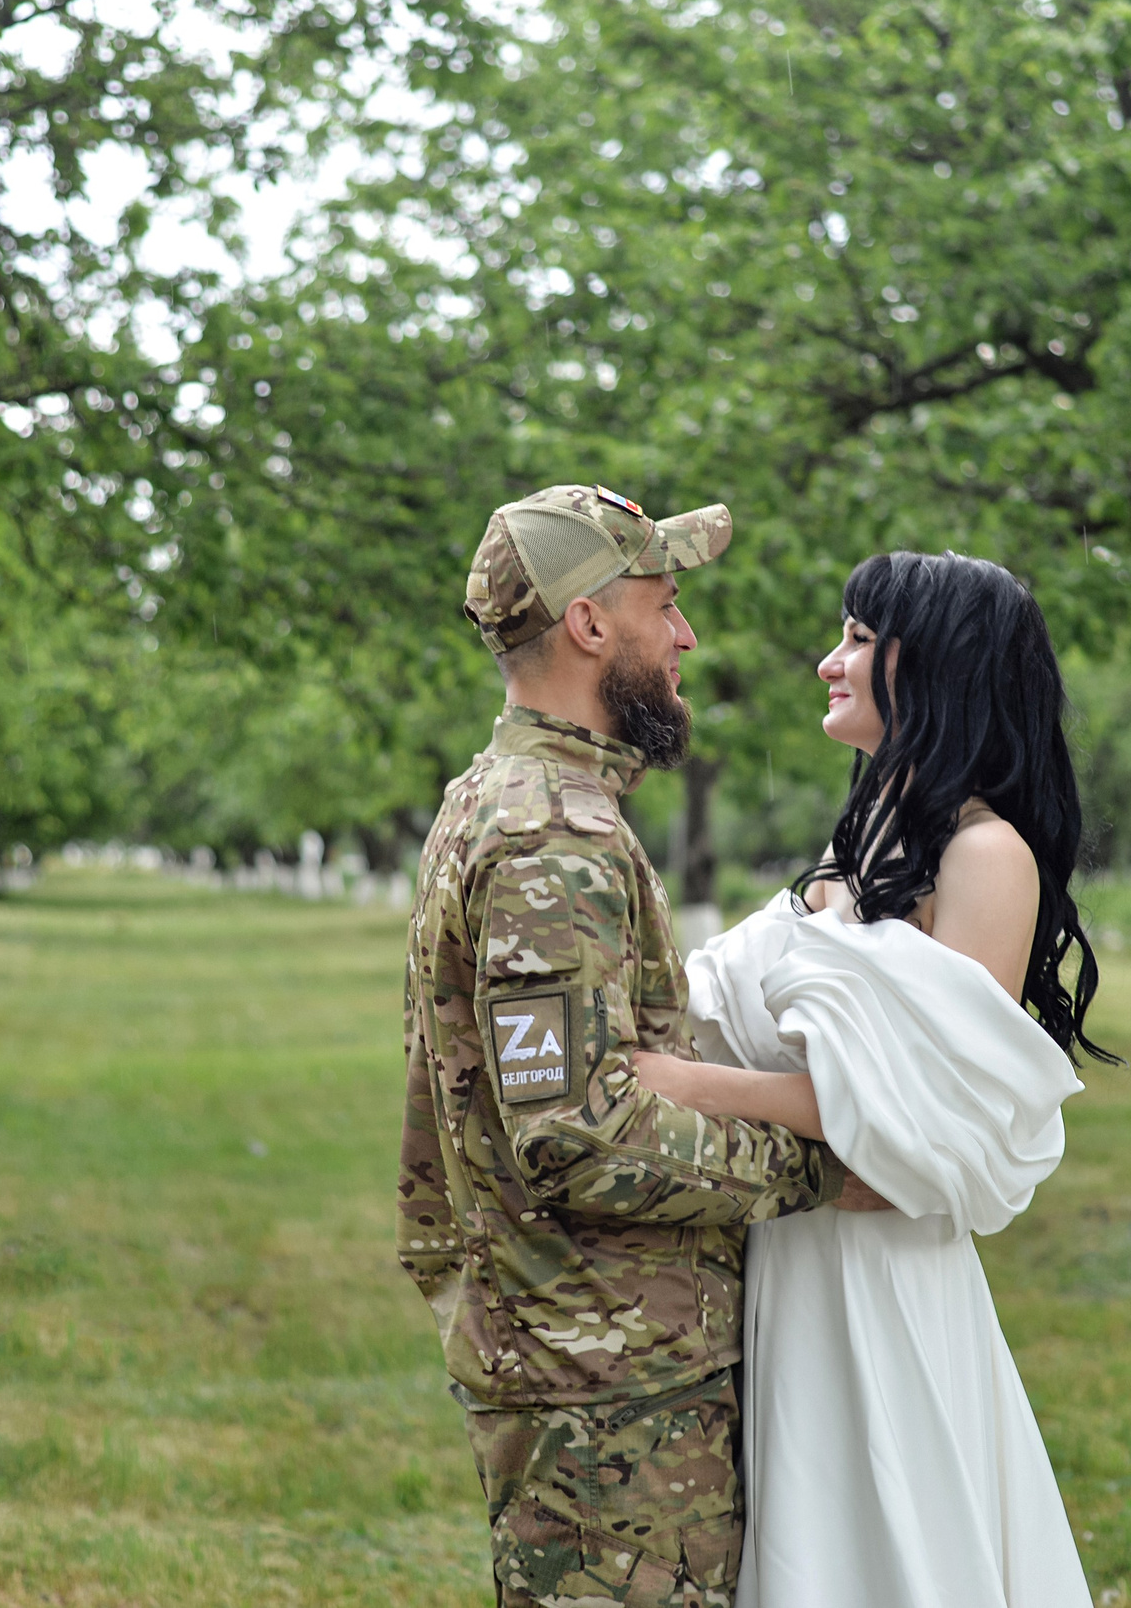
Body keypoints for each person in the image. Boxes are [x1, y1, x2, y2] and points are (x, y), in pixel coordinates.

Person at [398, 484, 881, 1608]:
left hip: (581, 1356)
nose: (685, 636)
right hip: (603, 1381)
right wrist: (818, 1167)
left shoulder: (511, 797)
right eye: (664, 603)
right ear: (589, 624)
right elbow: (575, 1131)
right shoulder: (547, 832)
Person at [633, 550, 1118, 1608]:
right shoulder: (866, 836)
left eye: (856, 638)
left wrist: (672, 1082)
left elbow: (910, 1121)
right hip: (796, 1252)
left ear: (935, 663)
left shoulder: (985, 854)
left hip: (878, 1275)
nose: (826, 661)